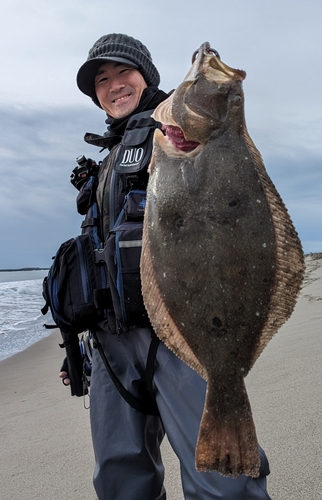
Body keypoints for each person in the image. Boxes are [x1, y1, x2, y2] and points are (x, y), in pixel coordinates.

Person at [59, 33, 272, 500]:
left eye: (123, 73)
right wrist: (74, 345)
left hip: (179, 333)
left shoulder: (174, 133)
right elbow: (99, 255)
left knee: (224, 486)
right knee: (120, 480)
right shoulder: (107, 158)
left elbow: (227, 186)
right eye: (102, 80)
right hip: (111, 345)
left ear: (148, 76)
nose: (114, 85)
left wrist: (209, 98)